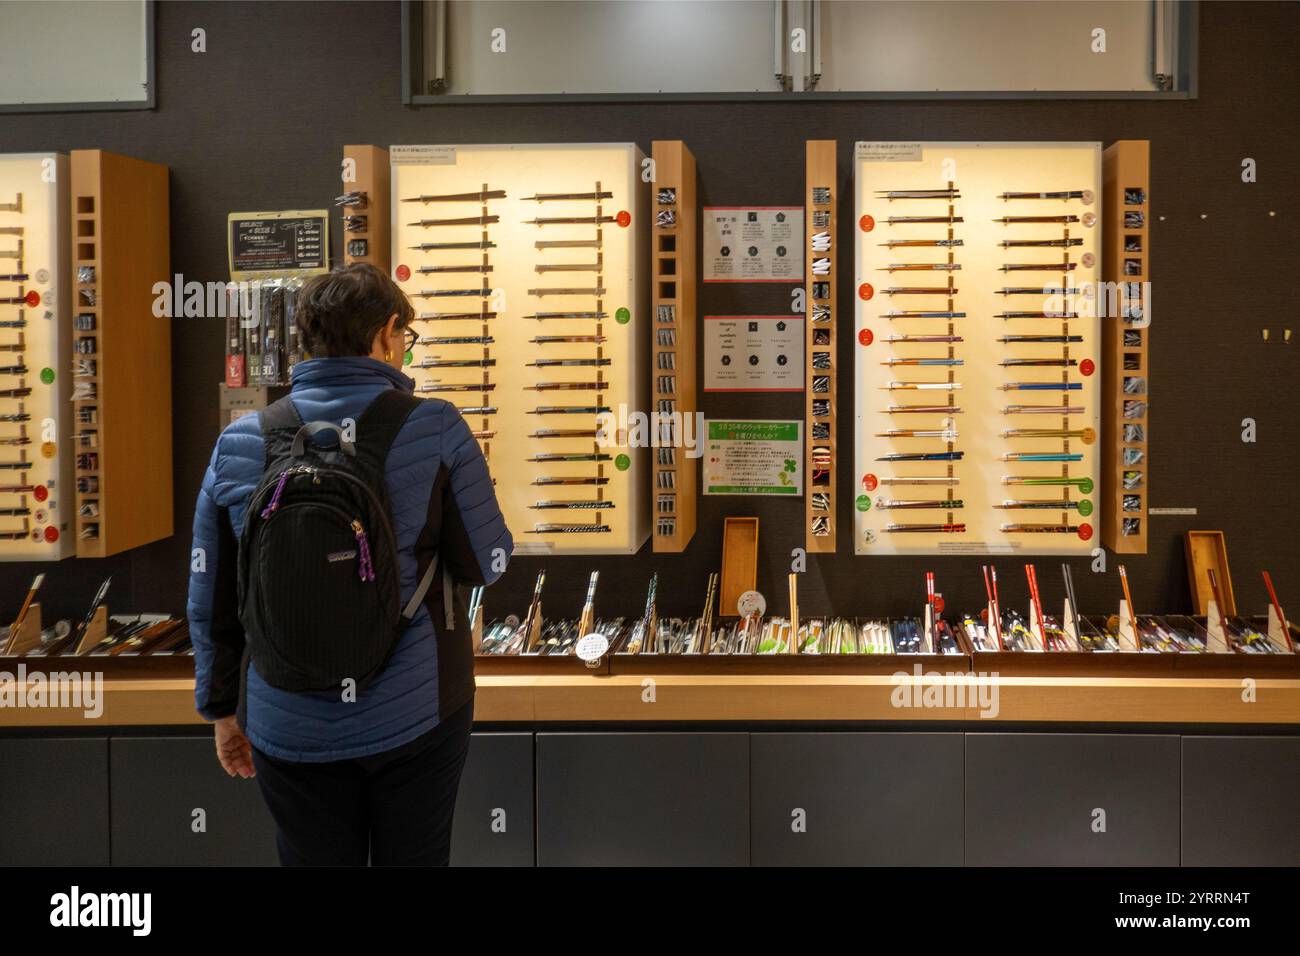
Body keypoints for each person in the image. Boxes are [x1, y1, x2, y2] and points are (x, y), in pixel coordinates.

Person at [186, 263, 512, 866]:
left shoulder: (238, 442)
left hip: (286, 718)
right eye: (405, 337)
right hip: (417, 709)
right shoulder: (436, 426)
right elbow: (489, 562)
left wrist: (221, 711)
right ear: (388, 332)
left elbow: (210, 597)